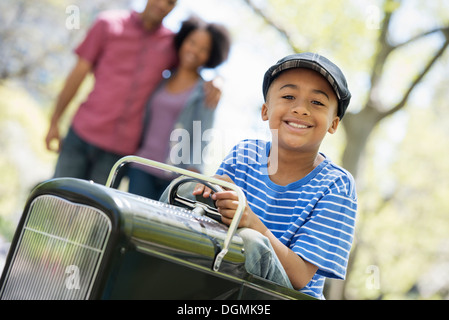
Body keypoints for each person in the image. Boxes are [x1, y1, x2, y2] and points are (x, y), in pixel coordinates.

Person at [193, 52, 357, 299]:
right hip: (230, 284)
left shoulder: (336, 185)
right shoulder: (245, 153)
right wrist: (209, 194)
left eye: (317, 102)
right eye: (289, 96)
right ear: (266, 110)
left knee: (251, 239)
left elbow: (300, 277)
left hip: (284, 295)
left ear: (333, 124)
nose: (301, 109)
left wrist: (251, 223)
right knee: (184, 190)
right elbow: (215, 219)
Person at [45, 0, 221, 185]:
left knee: (97, 212)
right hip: (82, 134)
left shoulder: (171, 46)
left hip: (120, 153)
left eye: (170, 2)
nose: (162, 5)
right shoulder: (107, 24)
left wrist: (218, 79)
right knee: (57, 200)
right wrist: (55, 120)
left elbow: (191, 67)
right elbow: (78, 73)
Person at [127, 16, 231, 200]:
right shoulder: (161, 79)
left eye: (204, 49)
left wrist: (194, 172)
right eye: (192, 42)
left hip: (174, 177)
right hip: (141, 167)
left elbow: (203, 134)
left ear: (210, 55)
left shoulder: (206, 91)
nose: (195, 51)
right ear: (183, 41)